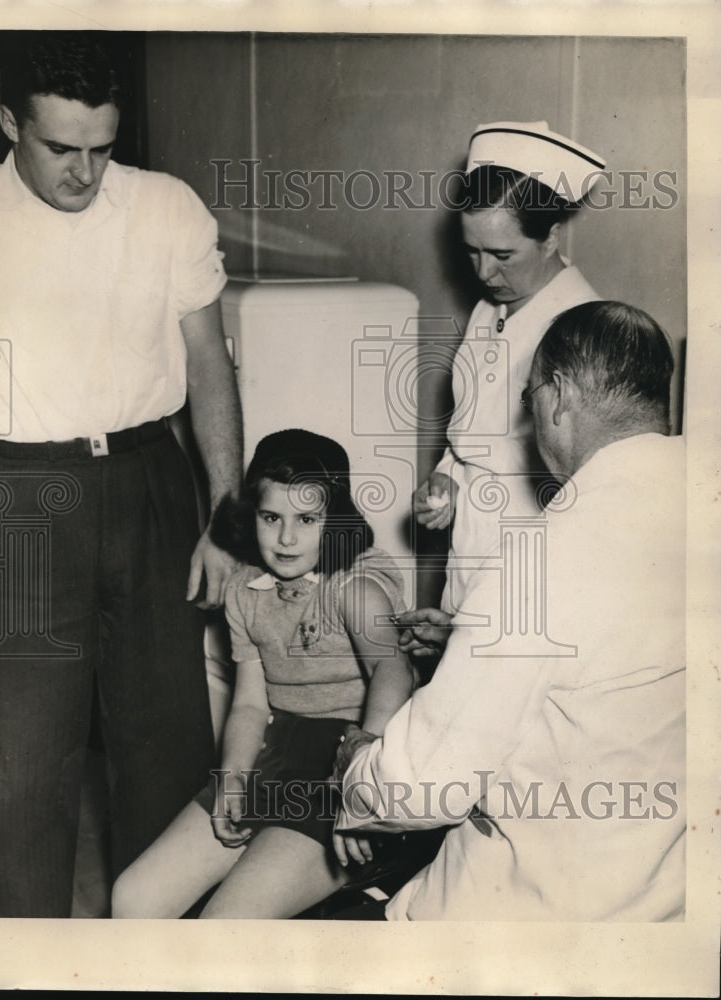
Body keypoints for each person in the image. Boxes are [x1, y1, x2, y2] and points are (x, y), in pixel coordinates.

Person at [0, 32, 242, 916]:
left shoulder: (165, 207)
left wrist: (226, 517)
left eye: (103, 149)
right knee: (19, 772)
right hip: (18, 499)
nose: (85, 174)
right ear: (10, 122)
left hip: (149, 485)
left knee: (166, 752)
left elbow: (209, 365)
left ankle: (154, 959)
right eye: (60, 150)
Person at [335, 301, 685, 921]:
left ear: (559, 397)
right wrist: (473, 637)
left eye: (528, 402)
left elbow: (421, 785)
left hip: (528, 915)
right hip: (663, 906)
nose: (530, 428)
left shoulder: (544, 558)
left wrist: (354, 769)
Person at [111, 429, 418, 919]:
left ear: (335, 519)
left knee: (226, 924)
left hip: (348, 765)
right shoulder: (244, 591)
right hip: (276, 756)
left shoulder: (356, 587)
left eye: (307, 519)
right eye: (271, 517)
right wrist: (232, 777)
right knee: (133, 899)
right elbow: (251, 704)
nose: (287, 538)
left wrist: (363, 785)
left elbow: (394, 673)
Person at [401, 121, 605, 658]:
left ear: (551, 237)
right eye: (472, 252)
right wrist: (442, 484)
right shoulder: (490, 308)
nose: (484, 272)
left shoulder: (580, 327)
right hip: (470, 551)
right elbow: (471, 431)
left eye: (503, 254)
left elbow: (584, 494)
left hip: (528, 560)